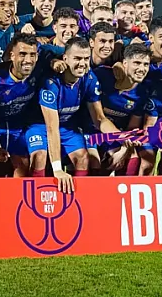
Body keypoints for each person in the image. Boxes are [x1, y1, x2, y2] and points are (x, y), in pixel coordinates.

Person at [39, 37, 121, 191]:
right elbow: (51, 127)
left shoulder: (89, 78)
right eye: (77, 58)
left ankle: (79, 199)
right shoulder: (51, 82)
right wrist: (57, 169)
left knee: (83, 157)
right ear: (65, 58)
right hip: (41, 125)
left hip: (68, 127)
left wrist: (120, 137)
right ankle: (38, 195)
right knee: (39, 156)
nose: (82, 63)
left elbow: (99, 119)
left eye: (86, 59)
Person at [0, 33, 50, 178]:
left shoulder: (38, 72)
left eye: (32, 55)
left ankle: (17, 194)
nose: (28, 60)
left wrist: (56, 62)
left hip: (16, 126)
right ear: (12, 56)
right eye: (22, 54)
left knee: (22, 166)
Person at [89, 44, 153, 176]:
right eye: (137, 63)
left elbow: (132, 127)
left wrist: (124, 149)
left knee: (132, 158)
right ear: (124, 63)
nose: (142, 69)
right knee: (93, 161)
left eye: (146, 64)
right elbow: (99, 118)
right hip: (89, 129)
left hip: (115, 134)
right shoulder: (102, 75)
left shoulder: (142, 92)